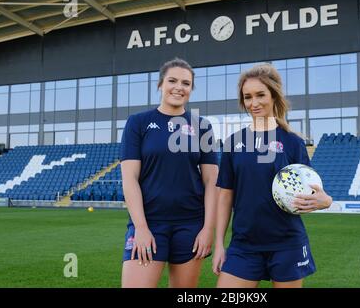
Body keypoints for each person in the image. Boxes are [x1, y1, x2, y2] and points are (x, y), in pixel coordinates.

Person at [212, 63, 332, 288]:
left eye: (260, 95)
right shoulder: (233, 143)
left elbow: (315, 191)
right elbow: (225, 196)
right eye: (247, 97)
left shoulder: (293, 142)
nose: (253, 103)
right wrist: (219, 244)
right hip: (243, 245)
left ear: (274, 96)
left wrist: (326, 201)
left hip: (287, 244)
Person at [120, 58, 219, 288]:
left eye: (186, 83)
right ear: (160, 84)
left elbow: (211, 180)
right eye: (172, 80)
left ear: (191, 89)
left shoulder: (202, 126)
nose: (179, 87)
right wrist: (141, 228)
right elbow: (130, 179)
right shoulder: (138, 123)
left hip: (190, 225)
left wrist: (207, 229)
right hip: (149, 222)